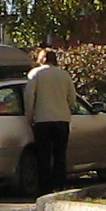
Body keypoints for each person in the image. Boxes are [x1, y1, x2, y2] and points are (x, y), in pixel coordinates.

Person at [26, 47, 73, 191]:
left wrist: (30, 115)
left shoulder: (35, 74)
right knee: (60, 155)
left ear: (41, 59)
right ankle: (59, 185)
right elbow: (72, 98)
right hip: (62, 119)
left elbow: (29, 96)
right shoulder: (64, 75)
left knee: (44, 155)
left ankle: (44, 187)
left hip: (42, 120)